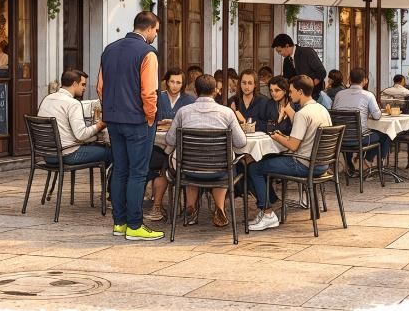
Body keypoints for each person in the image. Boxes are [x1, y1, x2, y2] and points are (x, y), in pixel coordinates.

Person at [97, 11, 164, 241]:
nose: (156, 34)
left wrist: (110, 110)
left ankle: (120, 223)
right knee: (138, 172)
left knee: (120, 169)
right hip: (137, 120)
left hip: (113, 119)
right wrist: (150, 117)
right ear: (149, 28)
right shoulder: (148, 53)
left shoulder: (109, 49)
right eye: (156, 30)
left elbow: (100, 87)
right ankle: (135, 225)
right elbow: (149, 92)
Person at [247, 75, 331, 231]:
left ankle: (268, 214)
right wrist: (284, 137)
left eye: (291, 91)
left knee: (254, 168)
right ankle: (266, 206)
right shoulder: (322, 110)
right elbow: (301, 139)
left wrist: (277, 136)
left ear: (300, 91)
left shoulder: (302, 114)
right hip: (322, 164)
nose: (290, 95)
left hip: (302, 164)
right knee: (263, 165)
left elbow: (293, 146)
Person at [165, 74, 247, 228]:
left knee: (191, 162)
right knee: (222, 165)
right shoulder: (227, 112)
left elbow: (170, 140)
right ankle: (220, 208)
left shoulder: (183, 112)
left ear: (195, 91)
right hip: (219, 170)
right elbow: (241, 142)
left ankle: (191, 208)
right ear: (215, 91)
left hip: (189, 170)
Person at [145, 68, 195, 222]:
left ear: (183, 84)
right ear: (166, 81)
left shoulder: (190, 100)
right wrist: (161, 122)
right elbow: (151, 118)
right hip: (159, 144)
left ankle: (161, 205)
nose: (174, 85)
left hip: (184, 148)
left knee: (165, 164)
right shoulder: (158, 98)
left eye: (178, 82)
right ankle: (157, 205)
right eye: (172, 81)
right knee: (160, 161)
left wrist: (172, 123)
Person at [38, 69, 111, 166]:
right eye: (83, 84)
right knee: (112, 152)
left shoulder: (47, 98)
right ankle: (115, 181)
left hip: (48, 155)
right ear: (74, 84)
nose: (84, 88)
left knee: (96, 145)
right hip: (67, 155)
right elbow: (81, 135)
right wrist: (101, 124)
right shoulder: (72, 103)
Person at [332, 67, 387, 173]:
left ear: (349, 79)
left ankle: (349, 163)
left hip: (340, 138)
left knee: (348, 131)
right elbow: (377, 116)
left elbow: (335, 113)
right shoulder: (368, 95)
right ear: (365, 80)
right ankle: (366, 160)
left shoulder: (339, 95)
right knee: (385, 134)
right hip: (360, 140)